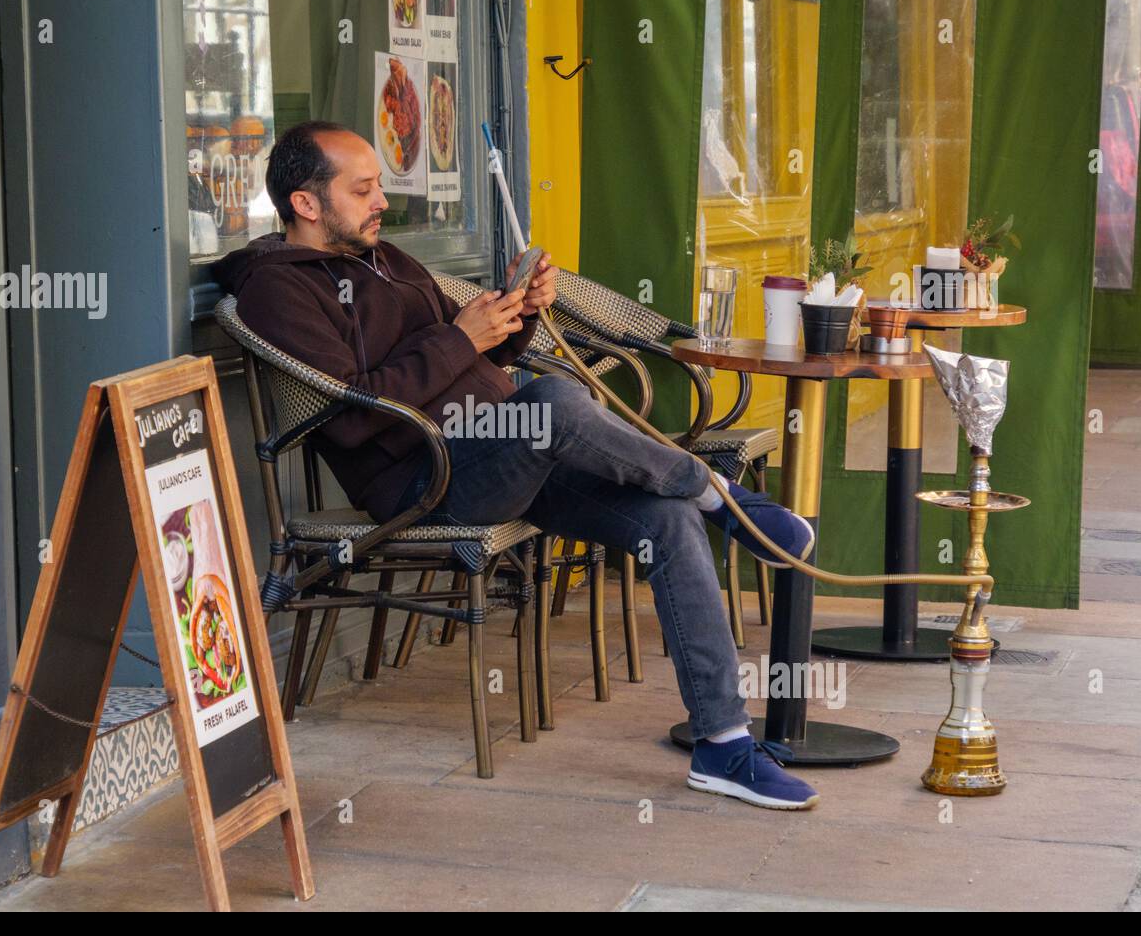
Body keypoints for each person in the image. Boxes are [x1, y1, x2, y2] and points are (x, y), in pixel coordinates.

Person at [214, 121, 821, 810]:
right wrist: (457, 336)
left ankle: (723, 743)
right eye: (363, 188)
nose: (382, 199)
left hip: (506, 449)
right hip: (427, 479)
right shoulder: (277, 290)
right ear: (307, 203)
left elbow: (476, 355)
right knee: (556, 402)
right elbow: (352, 418)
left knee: (666, 517)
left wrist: (516, 314)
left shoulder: (390, 260)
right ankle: (722, 496)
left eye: (380, 183)